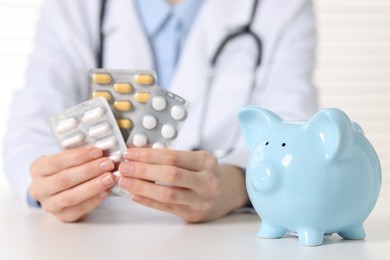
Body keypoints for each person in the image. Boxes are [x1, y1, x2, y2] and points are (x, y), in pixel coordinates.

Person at [3, 0, 318, 223]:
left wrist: (236, 185)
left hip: (224, 240)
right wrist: (49, 184)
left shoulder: (280, 6)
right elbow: (32, 119)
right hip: (99, 238)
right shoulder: (75, 6)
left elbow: (294, 132)